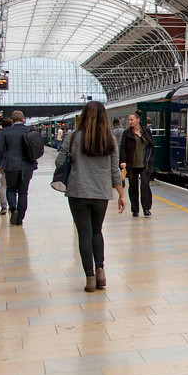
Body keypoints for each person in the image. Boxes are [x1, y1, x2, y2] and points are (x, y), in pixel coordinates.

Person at [56, 101, 126, 292]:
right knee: (97, 231)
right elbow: (114, 172)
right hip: (101, 193)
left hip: (78, 192)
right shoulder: (110, 139)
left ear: (83, 116)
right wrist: (121, 195)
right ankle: (101, 269)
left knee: (84, 234)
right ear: (104, 117)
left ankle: (90, 277)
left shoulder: (72, 136)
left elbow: (59, 161)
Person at [0, 110, 38, 225]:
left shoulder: (6, 131)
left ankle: (13, 209)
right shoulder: (30, 130)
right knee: (23, 192)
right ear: (23, 120)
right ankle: (20, 218)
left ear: (12, 121)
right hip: (27, 166)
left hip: (11, 166)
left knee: (11, 189)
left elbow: (0, 150)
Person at [119, 109, 154, 217]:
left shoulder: (146, 131)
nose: (130, 122)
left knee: (145, 185)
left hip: (144, 163)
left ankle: (146, 209)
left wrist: (150, 158)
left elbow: (151, 144)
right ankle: (135, 209)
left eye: (132, 120)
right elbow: (123, 148)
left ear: (138, 120)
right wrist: (123, 161)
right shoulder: (127, 133)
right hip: (131, 164)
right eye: (129, 120)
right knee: (133, 187)